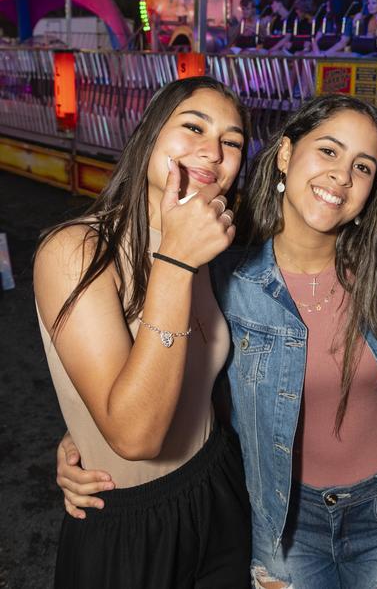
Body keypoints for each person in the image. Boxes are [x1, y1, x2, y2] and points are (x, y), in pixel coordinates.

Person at [55, 95, 377, 589]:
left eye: (362, 166)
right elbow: (171, 377)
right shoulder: (221, 275)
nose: (342, 176)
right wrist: (79, 438)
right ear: (285, 154)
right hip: (278, 519)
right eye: (328, 151)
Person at [35, 77, 252, 589]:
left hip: (217, 485)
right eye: (194, 127)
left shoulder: (215, 240)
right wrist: (174, 261)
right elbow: (134, 435)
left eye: (233, 141)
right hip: (129, 522)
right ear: (150, 134)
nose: (213, 151)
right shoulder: (77, 251)